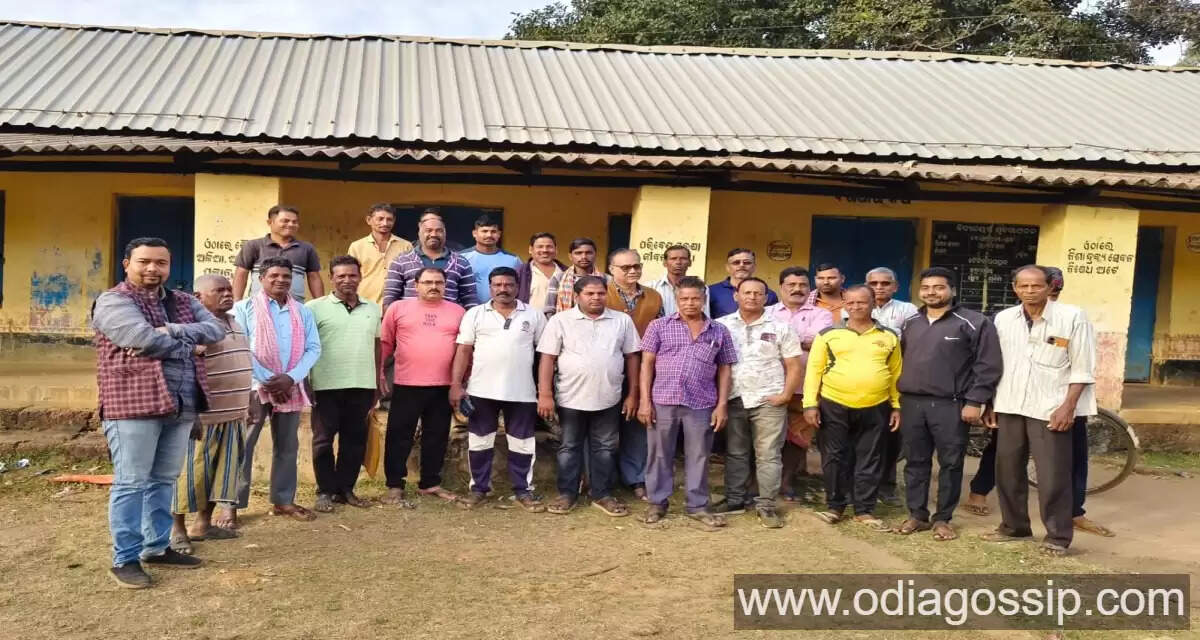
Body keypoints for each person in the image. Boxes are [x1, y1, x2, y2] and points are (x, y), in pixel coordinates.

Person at [93, 237, 225, 587]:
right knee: (132, 482)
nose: (153, 268)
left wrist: (174, 331)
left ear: (169, 266)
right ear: (127, 264)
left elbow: (216, 331)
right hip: (132, 404)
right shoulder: (112, 301)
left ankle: (156, 545)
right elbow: (141, 338)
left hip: (181, 403)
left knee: (164, 480)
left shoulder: (182, 301)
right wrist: (190, 348)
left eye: (161, 262)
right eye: (144, 261)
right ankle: (125, 559)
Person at [964, 268, 1114, 539]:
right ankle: (1014, 527)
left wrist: (1068, 407)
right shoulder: (1004, 319)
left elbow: (1082, 367)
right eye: (1024, 286)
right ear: (1014, 288)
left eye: (1036, 286)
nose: (1030, 291)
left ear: (1049, 288)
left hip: (1051, 407)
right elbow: (995, 364)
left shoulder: (1072, 317)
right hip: (1009, 405)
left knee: (1053, 475)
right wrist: (990, 402)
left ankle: (1058, 536)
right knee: (1007, 470)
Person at [892, 267, 1002, 542]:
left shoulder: (974, 322)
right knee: (915, 462)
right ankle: (917, 515)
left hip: (951, 405)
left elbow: (987, 366)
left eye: (939, 287)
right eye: (926, 287)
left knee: (951, 463)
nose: (931, 292)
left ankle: (943, 519)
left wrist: (975, 401)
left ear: (952, 290)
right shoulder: (911, 322)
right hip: (913, 403)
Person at [638, 276, 738, 529]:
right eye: (684, 298)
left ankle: (697, 505)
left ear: (704, 299)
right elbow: (646, 364)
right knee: (659, 454)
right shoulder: (659, 326)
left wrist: (722, 404)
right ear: (677, 299)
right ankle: (657, 502)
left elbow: (724, 369)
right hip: (663, 399)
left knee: (700, 455)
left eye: (695, 298)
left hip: (702, 401)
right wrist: (644, 401)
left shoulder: (719, 330)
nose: (690, 303)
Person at [537, 276, 641, 516]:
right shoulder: (561, 321)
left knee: (605, 447)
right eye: (589, 294)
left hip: (609, 397)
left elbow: (632, 357)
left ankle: (602, 494)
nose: (596, 298)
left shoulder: (621, 320)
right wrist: (545, 394)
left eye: (600, 294)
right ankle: (566, 494)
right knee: (569, 447)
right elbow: (547, 358)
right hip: (570, 398)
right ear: (577, 296)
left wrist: (632, 395)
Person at [803, 285, 901, 532]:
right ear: (845, 304)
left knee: (870, 458)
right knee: (835, 456)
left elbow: (895, 373)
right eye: (852, 303)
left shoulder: (889, 336)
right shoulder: (828, 334)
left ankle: (864, 510)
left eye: (862, 302)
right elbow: (813, 371)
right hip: (834, 403)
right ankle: (835, 506)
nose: (857, 307)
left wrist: (896, 406)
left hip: (876, 405)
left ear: (872, 304)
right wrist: (810, 404)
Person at [450, 266, 548, 510]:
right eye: (498, 285)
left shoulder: (534, 315)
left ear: (517, 287)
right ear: (490, 287)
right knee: (479, 442)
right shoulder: (475, 314)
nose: (503, 289)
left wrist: (544, 390)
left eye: (509, 285)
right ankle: (479, 489)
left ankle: (523, 491)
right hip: (482, 391)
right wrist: (456, 385)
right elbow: (463, 350)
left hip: (522, 391)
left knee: (522, 443)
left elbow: (544, 355)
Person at [234, 256, 322, 523]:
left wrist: (291, 378)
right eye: (274, 276)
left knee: (287, 446)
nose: (281, 280)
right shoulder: (243, 307)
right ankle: (232, 505)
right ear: (260, 278)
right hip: (253, 387)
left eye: (286, 276)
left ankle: (283, 500)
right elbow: (240, 347)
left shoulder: (303, 311)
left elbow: (313, 348)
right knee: (243, 445)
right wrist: (271, 380)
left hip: (290, 388)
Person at [170, 275, 253, 556]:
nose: (227, 294)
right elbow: (185, 370)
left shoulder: (236, 322)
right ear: (198, 296)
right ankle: (177, 530)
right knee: (189, 476)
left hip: (234, 415)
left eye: (229, 289)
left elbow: (242, 363)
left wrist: (248, 401)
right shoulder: (194, 329)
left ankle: (203, 524)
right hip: (204, 418)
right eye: (219, 290)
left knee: (223, 475)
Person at [715, 277, 803, 528]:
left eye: (758, 293)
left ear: (766, 298)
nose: (752, 297)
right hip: (733, 398)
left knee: (768, 455)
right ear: (736, 296)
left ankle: (766, 505)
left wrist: (786, 395)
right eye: (747, 292)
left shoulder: (781, 327)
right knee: (736, 453)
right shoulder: (721, 326)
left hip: (769, 400)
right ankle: (734, 499)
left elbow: (793, 365)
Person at [380, 267, 466, 507]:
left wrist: (461, 382)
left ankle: (430, 483)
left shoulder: (458, 311)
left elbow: (465, 349)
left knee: (437, 436)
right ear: (416, 285)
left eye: (439, 282)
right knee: (399, 435)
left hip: (443, 385)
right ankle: (395, 485)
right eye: (427, 282)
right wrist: (378, 375)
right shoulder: (398, 308)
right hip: (406, 383)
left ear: (446, 284)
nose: (433, 286)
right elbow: (386, 343)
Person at [305, 256, 381, 512]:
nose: (347, 280)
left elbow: (377, 345)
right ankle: (325, 490)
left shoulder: (373, 308)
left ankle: (346, 489)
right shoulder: (314, 308)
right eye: (341, 276)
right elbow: (305, 347)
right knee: (323, 440)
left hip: (362, 383)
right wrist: (306, 381)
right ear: (331, 279)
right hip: (325, 384)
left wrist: (377, 380)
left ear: (360, 277)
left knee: (355, 439)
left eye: (352, 275)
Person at [769, 266, 833, 499]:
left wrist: (781, 339)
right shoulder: (768, 312)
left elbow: (820, 341)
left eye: (802, 285)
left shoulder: (821, 314)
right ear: (781, 288)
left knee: (798, 436)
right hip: (771, 385)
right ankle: (762, 482)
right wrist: (802, 340)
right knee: (768, 436)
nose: (797, 289)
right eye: (791, 285)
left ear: (809, 288)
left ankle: (786, 482)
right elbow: (764, 341)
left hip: (805, 386)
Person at [607, 249, 664, 500]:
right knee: (603, 426)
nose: (632, 271)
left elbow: (661, 332)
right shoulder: (599, 293)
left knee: (638, 424)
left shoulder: (653, 297)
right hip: (605, 367)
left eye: (636, 266)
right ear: (611, 270)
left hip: (643, 367)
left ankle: (636, 478)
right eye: (625, 267)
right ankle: (602, 479)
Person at [864, 266, 920, 507]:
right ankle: (862, 484)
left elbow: (913, 344)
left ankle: (887, 487)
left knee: (891, 436)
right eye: (873, 283)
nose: (879, 288)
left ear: (895, 286)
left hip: (896, 382)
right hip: (863, 381)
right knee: (864, 436)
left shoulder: (908, 310)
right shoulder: (854, 306)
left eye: (885, 283)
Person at [381, 211, 477, 309]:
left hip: (449, 321)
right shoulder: (401, 260)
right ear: (419, 233)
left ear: (445, 233)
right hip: (410, 320)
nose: (433, 234)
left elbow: (469, 297)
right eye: (428, 230)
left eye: (439, 230)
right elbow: (390, 295)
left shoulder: (461, 262)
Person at [233, 205, 324, 302]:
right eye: (285, 221)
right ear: (270, 222)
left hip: (294, 310)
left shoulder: (306, 248)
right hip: (258, 307)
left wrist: (320, 304)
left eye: (295, 222)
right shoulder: (253, 246)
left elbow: (314, 277)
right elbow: (241, 275)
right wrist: (236, 303)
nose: (291, 224)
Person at [346, 203, 413, 306]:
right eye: (380, 219)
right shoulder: (356, 247)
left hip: (397, 305)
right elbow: (350, 277)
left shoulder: (406, 246)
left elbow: (411, 277)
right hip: (364, 304)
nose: (385, 223)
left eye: (389, 219)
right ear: (369, 220)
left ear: (394, 221)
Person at [460, 214, 522, 304]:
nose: (489, 235)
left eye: (493, 231)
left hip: (503, 310)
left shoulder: (513, 260)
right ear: (474, 233)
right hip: (468, 310)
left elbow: (520, 286)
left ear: (499, 234)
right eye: (484, 231)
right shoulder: (461, 258)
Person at [708, 248, 778, 318]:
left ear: (754, 267)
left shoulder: (768, 294)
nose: (741, 265)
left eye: (747, 263)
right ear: (727, 267)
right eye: (736, 263)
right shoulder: (710, 291)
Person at [545, 237, 605, 314]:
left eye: (588, 253)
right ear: (570, 256)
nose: (584, 257)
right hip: (564, 324)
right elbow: (549, 309)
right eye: (578, 253)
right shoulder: (558, 278)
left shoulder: (606, 279)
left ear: (595, 255)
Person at [646, 244, 708, 317]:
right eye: (673, 258)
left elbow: (705, 316)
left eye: (683, 258)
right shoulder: (651, 287)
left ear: (690, 262)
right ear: (665, 263)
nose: (678, 262)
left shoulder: (701, 288)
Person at [515, 232, 565, 309]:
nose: (545, 250)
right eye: (540, 246)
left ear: (556, 250)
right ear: (530, 250)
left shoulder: (566, 272)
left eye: (549, 247)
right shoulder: (520, 272)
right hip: (529, 319)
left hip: (560, 320)